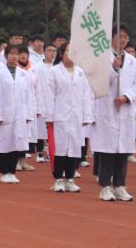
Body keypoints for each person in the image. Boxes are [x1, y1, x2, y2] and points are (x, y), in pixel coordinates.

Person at [91, 25, 136, 203]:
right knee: (108, 150)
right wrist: (112, 68)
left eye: (126, 37)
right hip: (108, 109)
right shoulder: (102, 57)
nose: (123, 40)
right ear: (111, 37)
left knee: (123, 150)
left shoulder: (133, 61)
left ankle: (120, 186)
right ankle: (105, 186)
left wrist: (127, 97)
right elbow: (97, 82)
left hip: (125, 109)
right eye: (120, 36)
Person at [44, 42, 93, 192]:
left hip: (76, 116)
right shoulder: (54, 72)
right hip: (60, 115)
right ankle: (58, 179)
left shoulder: (80, 72)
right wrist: (49, 116)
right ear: (61, 54)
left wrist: (87, 116)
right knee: (60, 148)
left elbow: (86, 95)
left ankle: (70, 179)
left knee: (75, 148)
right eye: (67, 51)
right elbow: (49, 95)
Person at [0, 43, 35, 184]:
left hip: (20, 113)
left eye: (17, 54)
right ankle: (4, 172)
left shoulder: (24, 74)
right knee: (5, 143)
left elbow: (28, 95)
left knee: (17, 142)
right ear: (6, 56)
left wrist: (28, 114)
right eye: (11, 54)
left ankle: (12, 172)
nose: (14, 56)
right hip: (5, 112)